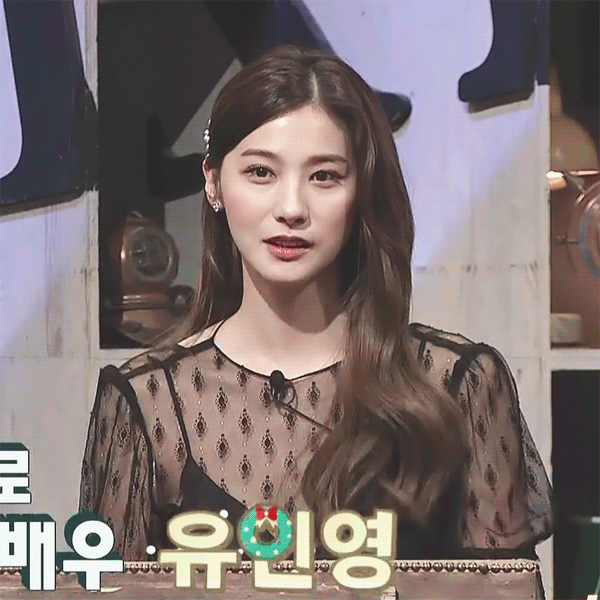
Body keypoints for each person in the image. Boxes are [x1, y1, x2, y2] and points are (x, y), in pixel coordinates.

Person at [79, 46, 553, 567]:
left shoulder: (455, 384)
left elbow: (507, 589)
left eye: (324, 176)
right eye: (261, 172)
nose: (291, 208)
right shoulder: (147, 402)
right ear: (214, 183)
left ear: (360, 190)